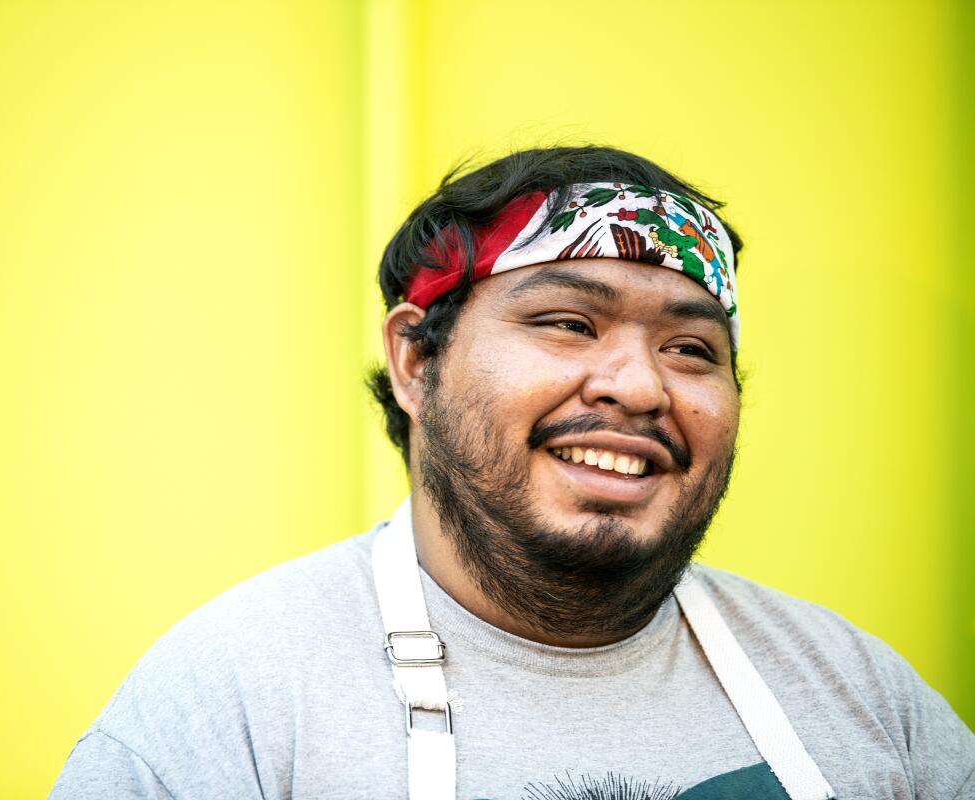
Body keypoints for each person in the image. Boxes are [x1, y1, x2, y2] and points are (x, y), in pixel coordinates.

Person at [48, 146, 975, 799]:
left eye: (691, 347)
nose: (638, 385)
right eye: (568, 322)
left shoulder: (860, 695)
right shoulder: (231, 705)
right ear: (417, 361)